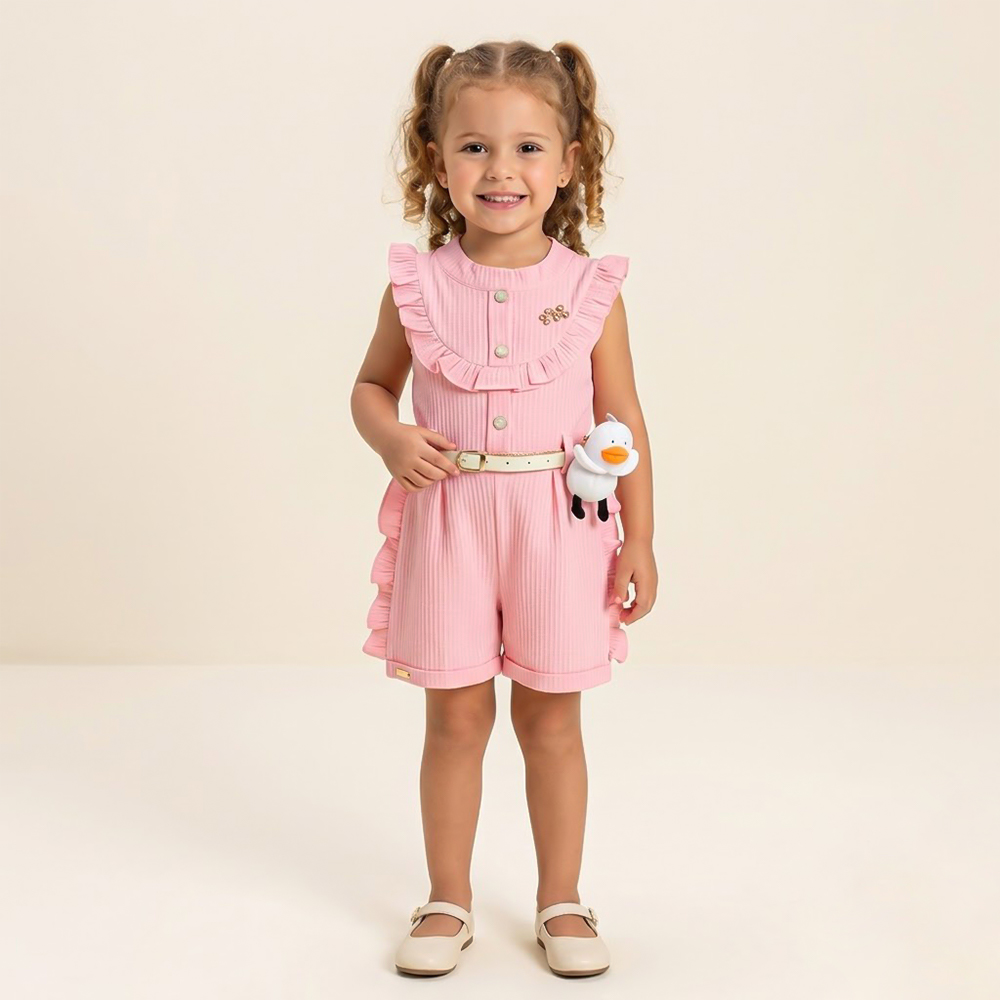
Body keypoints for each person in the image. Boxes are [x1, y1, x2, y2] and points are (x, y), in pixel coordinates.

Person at [351, 39, 657, 978]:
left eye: (528, 148)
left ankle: (562, 899)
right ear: (437, 158)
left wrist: (641, 537)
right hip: (449, 523)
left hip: (559, 526)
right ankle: (447, 897)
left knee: (552, 722)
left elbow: (623, 418)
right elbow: (371, 387)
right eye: (475, 146)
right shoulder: (417, 285)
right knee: (453, 720)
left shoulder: (590, 292)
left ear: (569, 162)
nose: (501, 170)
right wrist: (392, 439)